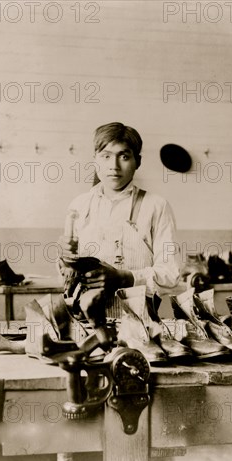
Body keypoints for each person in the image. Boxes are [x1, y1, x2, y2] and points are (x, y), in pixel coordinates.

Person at [59, 122, 181, 316]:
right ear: (95, 160)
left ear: (138, 161)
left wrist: (125, 278)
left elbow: (170, 274)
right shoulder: (79, 205)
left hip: (139, 325)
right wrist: (66, 260)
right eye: (105, 156)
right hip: (86, 322)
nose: (114, 166)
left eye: (124, 157)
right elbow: (65, 278)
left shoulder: (157, 206)